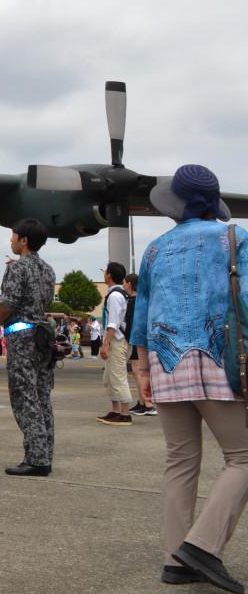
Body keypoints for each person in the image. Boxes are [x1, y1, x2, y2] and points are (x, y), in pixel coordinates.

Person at [130, 165, 248, 591]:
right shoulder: (236, 239)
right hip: (220, 362)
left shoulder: (155, 250)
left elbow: (141, 316)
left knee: (179, 460)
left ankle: (174, 559)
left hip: (166, 362)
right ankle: (201, 545)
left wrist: (142, 369)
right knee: (242, 457)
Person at [0, 217, 57, 477]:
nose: (11, 240)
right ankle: (45, 453)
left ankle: (36, 459)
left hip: (22, 335)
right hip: (43, 334)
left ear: (24, 240)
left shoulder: (17, 268)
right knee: (42, 396)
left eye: (13, 235)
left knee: (24, 396)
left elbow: (9, 302)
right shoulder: (49, 270)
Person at [97, 261, 134, 426]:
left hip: (117, 341)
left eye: (105, 271)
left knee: (118, 377)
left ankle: (125, 414)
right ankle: (116, 410)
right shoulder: (118, 294)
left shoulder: (115, 296)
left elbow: (113, 323)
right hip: (117, 340)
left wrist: (105, 344)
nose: (104, 273)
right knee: (110, 377)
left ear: (109, 275)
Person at [125, 274, 156, 417]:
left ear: (130, 284)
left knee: (139, 371)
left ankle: (148, 404)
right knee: (136, 371)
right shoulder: (136, 300)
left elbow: (134, 323)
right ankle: (142, 402)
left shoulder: (135, 301)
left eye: (125, 283)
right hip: (135, 339)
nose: (124, 285)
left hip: (137, 340)